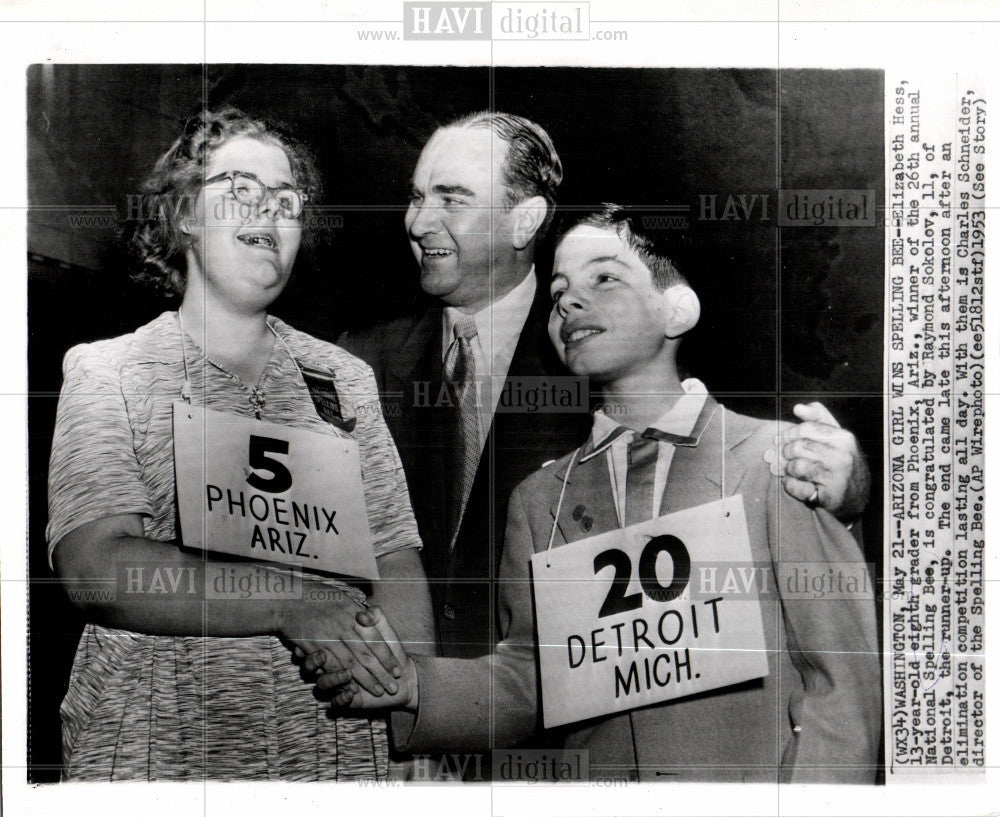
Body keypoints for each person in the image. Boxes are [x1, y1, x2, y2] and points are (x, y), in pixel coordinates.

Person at [317, 204, 881, 784]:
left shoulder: (777, 460)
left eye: (604, 278)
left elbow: (842, 684)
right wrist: (416, 686)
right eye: (558, 291)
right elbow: (532, 679)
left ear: (677, 310)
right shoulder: (540, 500)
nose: (567, 302)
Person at [341, 111, 872, 662]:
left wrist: (843, 490)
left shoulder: (610, 350)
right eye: (416, 196)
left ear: (525, 221)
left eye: (451, 200)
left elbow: (753, 509)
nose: (418, 221)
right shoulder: (356, 361)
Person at [46, 107, 433, 781]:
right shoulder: (108, 368)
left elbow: (396, 563)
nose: (271, 211)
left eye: (288, 200)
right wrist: (291, 600)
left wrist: (410, 715)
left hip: (336, 762)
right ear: (185, 213)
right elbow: (96, 567)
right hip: (161, 755)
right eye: (242, 190)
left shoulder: (343, 378)